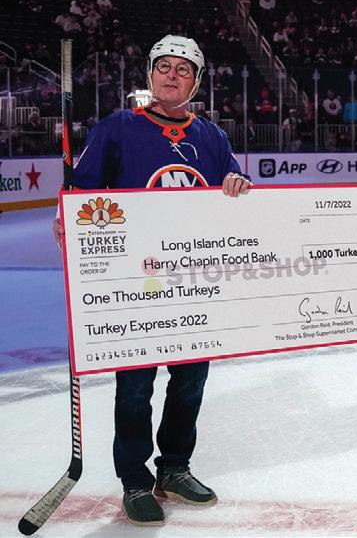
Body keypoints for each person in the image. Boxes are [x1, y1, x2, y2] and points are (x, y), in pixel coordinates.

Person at [52, 35, 252, 527]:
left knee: (189, 383)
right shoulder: (118, 127)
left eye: (183, 69)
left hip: (193, 284)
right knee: (135, 388)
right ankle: (136, 480)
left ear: (196, 83)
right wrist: (69, 218)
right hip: (136, 286)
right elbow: (84, 196)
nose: (172, 75)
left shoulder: (212, 138)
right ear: (149, 75)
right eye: (164, 66)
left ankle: (175, 468)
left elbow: (235, 197)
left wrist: (238, 187)